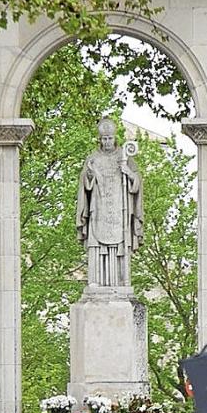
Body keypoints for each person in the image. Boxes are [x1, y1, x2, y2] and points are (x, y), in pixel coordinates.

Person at [76, 117, 143, 287]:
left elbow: (137, 182)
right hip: (98, 209)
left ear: (115, 138)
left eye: (110, 138)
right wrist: (90, 175)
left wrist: (128, 172)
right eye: (104, 139)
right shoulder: (93, 158)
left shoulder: (125, 157)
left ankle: (122, 281)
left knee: (120, 244)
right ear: (100, 139)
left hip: (119, 210)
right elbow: (85, 184)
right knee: (97, 245)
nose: (107, 142)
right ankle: (95, 281)